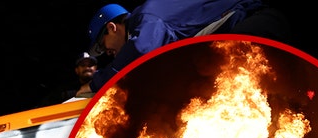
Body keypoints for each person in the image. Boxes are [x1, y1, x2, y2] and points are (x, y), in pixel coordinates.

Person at [79, 1, 291, 96]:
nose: (107, 54)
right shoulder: (152, 24)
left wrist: (97, 84)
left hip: (259, 24)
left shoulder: (148, 16)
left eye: (102, 46)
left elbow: (141, 50)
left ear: (112, 27)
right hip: (252, 32)